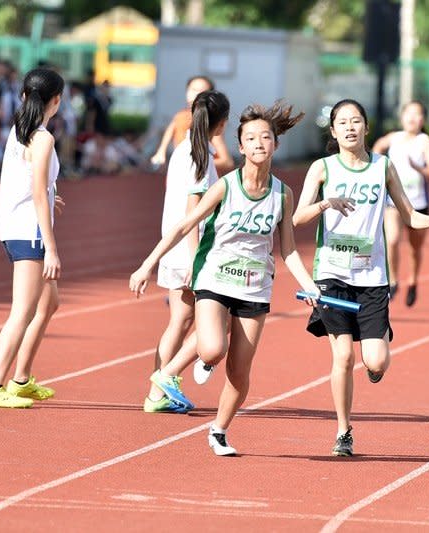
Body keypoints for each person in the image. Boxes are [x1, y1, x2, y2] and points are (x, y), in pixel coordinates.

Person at [130, 101, 321, 456]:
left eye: (266, 137)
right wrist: (148, 263)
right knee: (213, 347)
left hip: (255, 287)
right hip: (215, 279)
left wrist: (308, 284)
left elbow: (289, 250)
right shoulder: (226, 186)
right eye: (251, 138)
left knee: (240, 371)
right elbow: (186, 224)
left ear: (275, 145)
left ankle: (219, 430)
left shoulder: (283, 195)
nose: (259, 143)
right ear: (240, 146)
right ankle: (192, 363)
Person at [292, 99, 429, 456]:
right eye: (342, 123)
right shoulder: (322, 169)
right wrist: (324, 204)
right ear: (333, 132)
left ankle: (378, 344)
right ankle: (343, 431)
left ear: (366, 128)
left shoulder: (383, 167)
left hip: (372, 277)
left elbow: (409, 214)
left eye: (356, 121)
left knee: (376, 361)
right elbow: (296, 218)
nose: (350, 127)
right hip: (332, 274)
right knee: (343, 358)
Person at [0, 68, 65, 408]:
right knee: (23, 311)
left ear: (25, 97)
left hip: (17, 225)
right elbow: (37, 193)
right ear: (55, 101)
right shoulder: (43, 138)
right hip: (29, 232)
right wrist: (52, 248)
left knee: (49, 303)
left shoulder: (21, 130)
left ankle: (21, 379)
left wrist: (47, 192)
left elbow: (33, 183)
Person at [143, 90, 230, 414]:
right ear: (221, 124)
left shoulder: (187, 150)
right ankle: (164, 382)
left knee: (181, 321)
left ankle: (158, 391)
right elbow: (193, 214)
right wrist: (196, 258)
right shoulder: (200, 156)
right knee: (206, 320)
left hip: (176, 244)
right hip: (190, 249)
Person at [371, 101, 429, 306]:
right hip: (393, 201)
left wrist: (418, 168)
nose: (412, 118)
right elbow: (378, 146)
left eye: (417, 114)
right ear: (401, 117)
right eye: (408, 113)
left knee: (414, 248)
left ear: (423, 119)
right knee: (391, 240)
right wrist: (375, 162)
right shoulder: (395, 137)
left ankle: (413, 280)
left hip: (417, 204)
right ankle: (393, 280)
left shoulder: (425, 141)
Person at [150, 76, 234, 174]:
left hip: (201, 178)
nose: (196, 93)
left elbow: (227, 162)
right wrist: (161, 151)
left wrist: (197, 164)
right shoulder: (181, 115)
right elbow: (172, 128)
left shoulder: (207, 122)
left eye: (202, 91)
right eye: (193, 89)